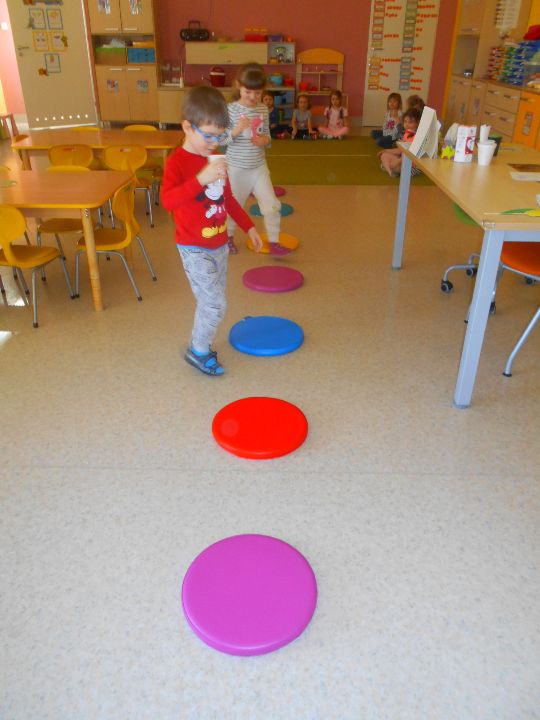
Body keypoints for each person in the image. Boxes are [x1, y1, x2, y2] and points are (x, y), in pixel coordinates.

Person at [161, 85, 262, 377]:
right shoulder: (177, 162)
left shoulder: (216, 157)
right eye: (208, 135)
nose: (214, 142)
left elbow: (227, 198)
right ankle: (198, 350)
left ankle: (201, 342)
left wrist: (249, 226)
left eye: (219, 136)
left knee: (214, 298)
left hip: (218, 245)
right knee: (214, 302)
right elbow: (168, 201)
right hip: (193, 247)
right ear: (187, 127)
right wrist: (200, 179)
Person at [223, 63, 290, 256]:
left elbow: (267, 136)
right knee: (234, 206)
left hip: (259, 167)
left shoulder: (262, 108)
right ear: (238, 86)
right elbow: (222, 139)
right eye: (248, 92)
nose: (253, 97)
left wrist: (264, 141)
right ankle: (228, 238)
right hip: (236, 169)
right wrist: (237, 130)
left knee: (272, 205)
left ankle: (274, 242)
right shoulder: (230, 110)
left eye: (257, 93)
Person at [378, 107, 422, 177]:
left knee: (393, 164)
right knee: (384, 155)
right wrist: (386, 150)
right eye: (405, 121)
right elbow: (400, 150)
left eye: (410, 122)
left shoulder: (417, 137)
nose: (407, 124)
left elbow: (408, 154)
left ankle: (389, 167)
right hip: (403, 161)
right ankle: (390, 172)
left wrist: (396, 162)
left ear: (417, 123)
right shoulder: (405, 134)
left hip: (412, 166)